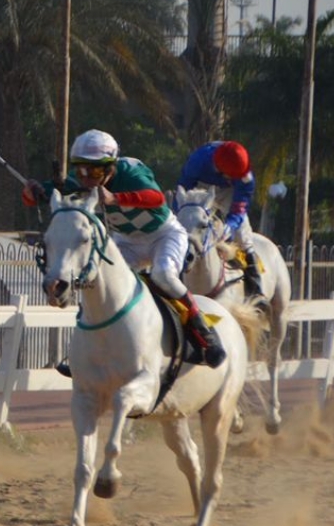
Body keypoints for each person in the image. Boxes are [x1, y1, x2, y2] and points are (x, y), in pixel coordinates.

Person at [23, 129, 226, 371]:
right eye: (81, 169)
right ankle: (84, 350)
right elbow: (44, 195)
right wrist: (33, 192)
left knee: (163, 275)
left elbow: (156, 198)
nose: (86, 177)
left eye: (95, 170)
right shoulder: (84, 180)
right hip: (128, 241)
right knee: (100, 283)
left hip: (164, 235)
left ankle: (205, 335)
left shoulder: (131, 170)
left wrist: (115, 199)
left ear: (110, 167)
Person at [175, 139, 263, 299]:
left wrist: (230, 226)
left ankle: (257, 290)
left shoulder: (245, 177)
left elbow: (240, 207)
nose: (235, 177)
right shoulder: (197, 161)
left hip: (230, 192)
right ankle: (173, 281)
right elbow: (183, 192)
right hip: (200, 188)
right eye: (232, 175)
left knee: (243, 236)